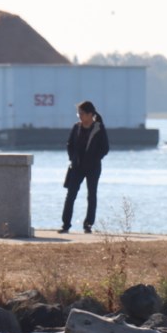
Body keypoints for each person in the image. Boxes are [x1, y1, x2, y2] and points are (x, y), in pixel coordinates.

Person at [59, 100, 109, 234]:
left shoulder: (99, 128)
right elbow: (69, 144)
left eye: (82, 113)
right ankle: (66, 225)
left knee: (91, 195)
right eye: (78, 113)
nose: (79, 116)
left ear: (90, 114)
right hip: (76, 167)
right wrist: (72, 158)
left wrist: (94, 159)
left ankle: (88, 225)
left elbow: (105, 148)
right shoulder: (76, 127)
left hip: (93, 168)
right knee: (71, 195)